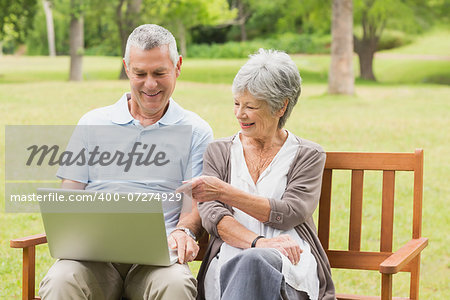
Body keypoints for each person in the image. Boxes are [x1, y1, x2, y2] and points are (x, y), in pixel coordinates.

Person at [39, 24, 213, 300]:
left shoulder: (196, 130)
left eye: (159, 73)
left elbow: (194, 207)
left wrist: (184, 231)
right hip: (93, 259)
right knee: (61, 280)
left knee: (176, 285)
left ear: (178, 66)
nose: (150, 84)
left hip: (158, 261)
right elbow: (68, 198)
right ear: (126, 67)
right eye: (140, 73)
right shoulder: (92, 122)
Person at [179, 49, 335, 299]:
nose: (240, 114)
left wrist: (223, 191)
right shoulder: (219, 151)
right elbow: (212, 216)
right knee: (252, 261)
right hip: (228, 263)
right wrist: (257, 243)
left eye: (250, 106)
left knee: (256, 262)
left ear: (281, 107)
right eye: (236, 103)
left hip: (289, 267)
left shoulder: (308, 155)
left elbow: (289, 213)